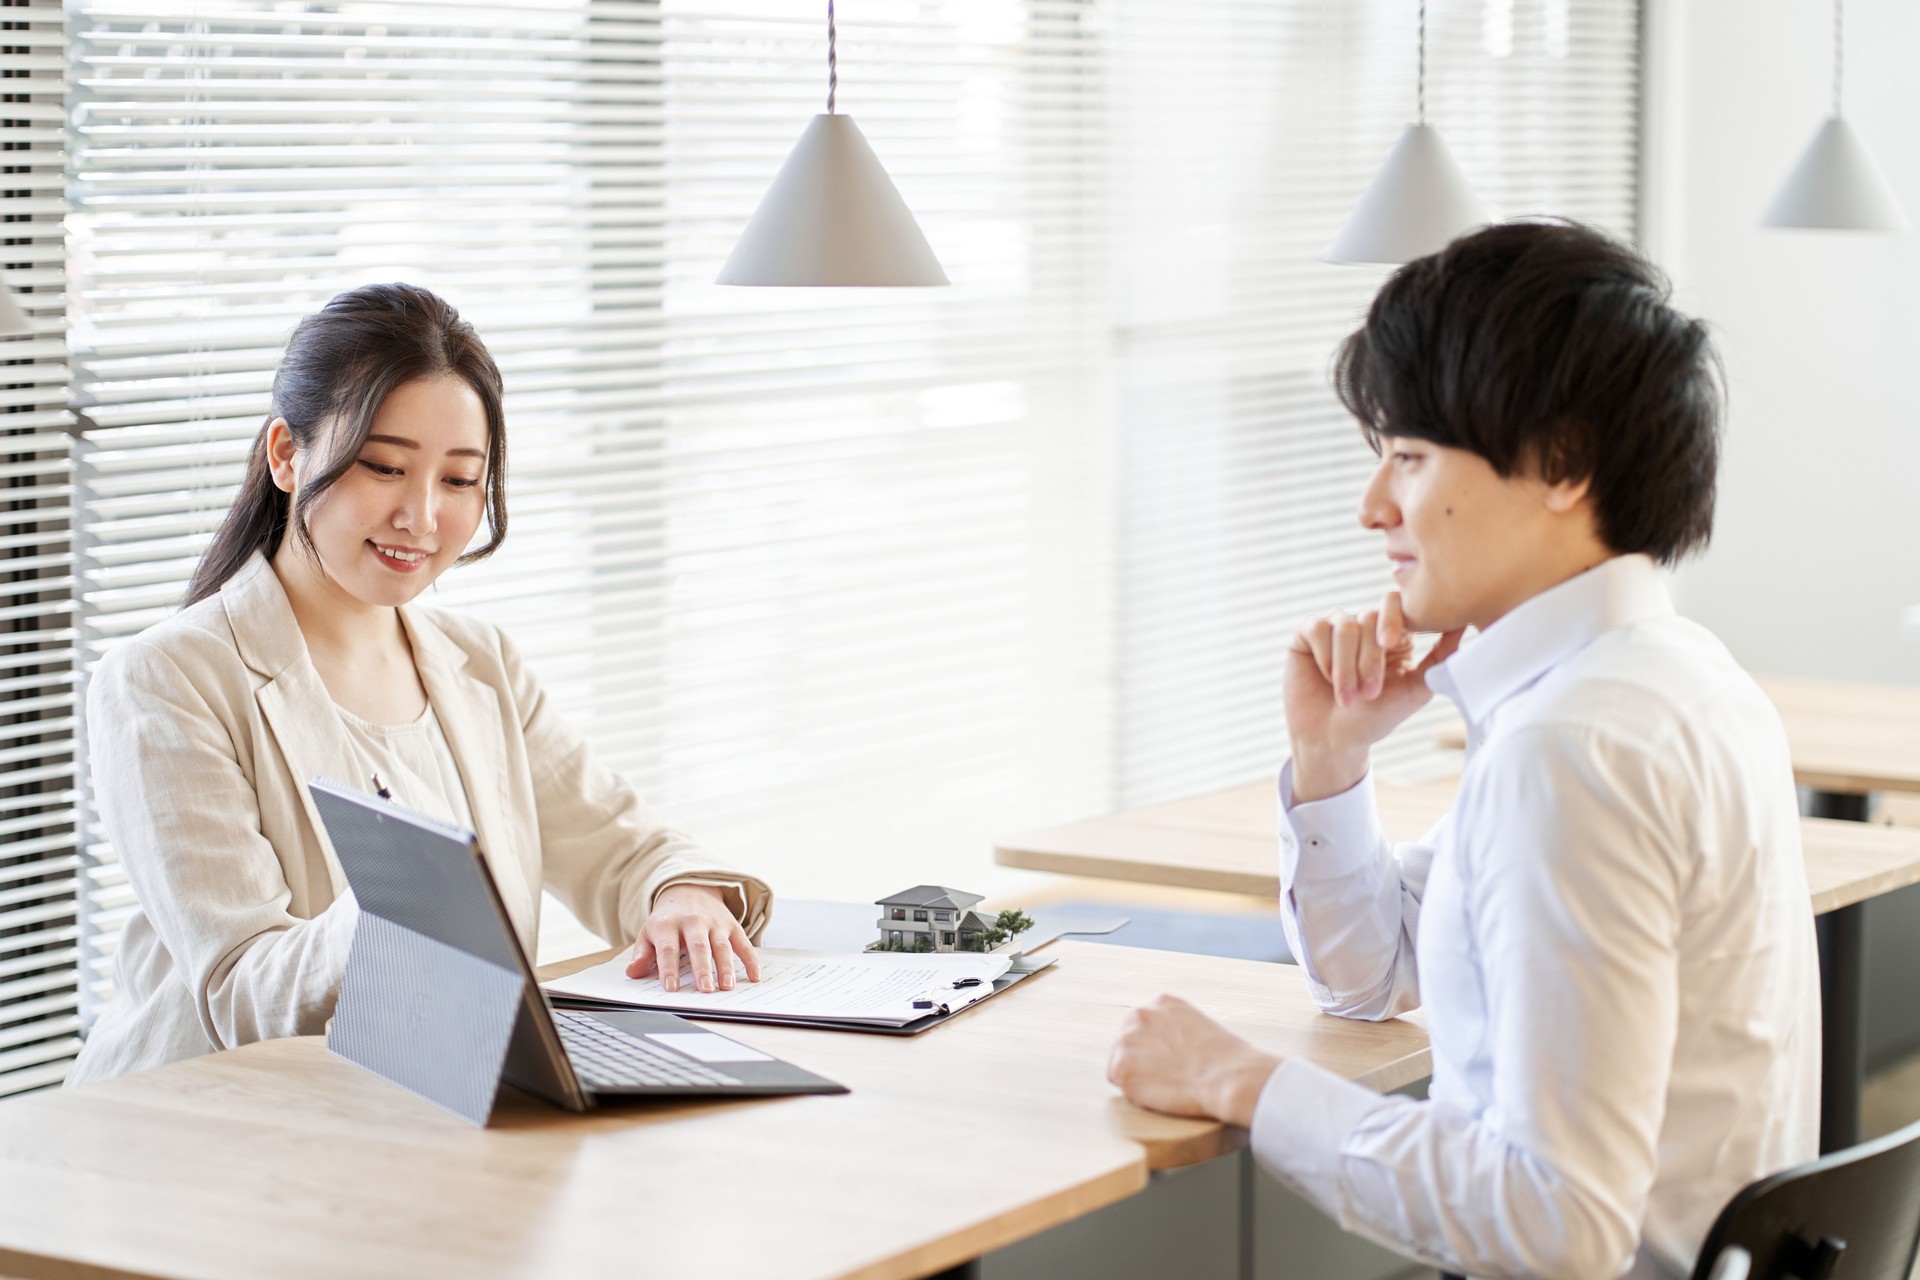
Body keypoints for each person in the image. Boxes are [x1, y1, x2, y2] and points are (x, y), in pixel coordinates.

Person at [1105, 222, 1819, 1280]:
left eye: (1409, 455)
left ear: (1564, 464)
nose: (1372, 507)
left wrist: (1242, 1082)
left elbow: (1557, 1223)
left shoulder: (1573, 746)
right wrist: (1331, 753)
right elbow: (1374, 971)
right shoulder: (1671, 677)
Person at [69, 283, 768, 1086]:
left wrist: (679, 896)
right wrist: (400, 905)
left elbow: (618, 846)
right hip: (208, 1131)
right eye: (384, 466)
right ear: (286, 456)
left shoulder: (480, 661)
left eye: (461, 480)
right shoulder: (167, 679)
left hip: (423, 1103)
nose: (422, 517)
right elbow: (242, 994)